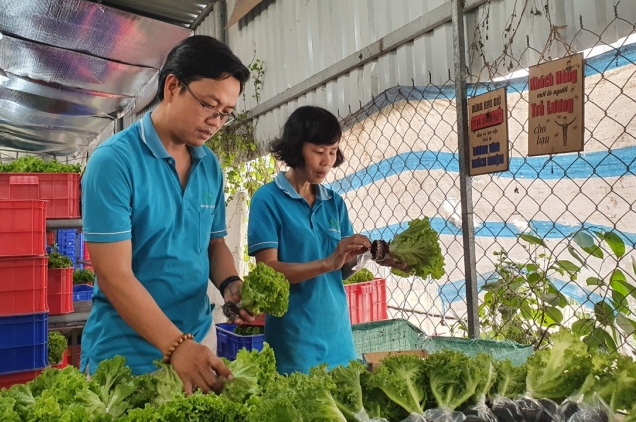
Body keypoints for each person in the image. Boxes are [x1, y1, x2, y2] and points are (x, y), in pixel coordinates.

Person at [81, 35, 253, 394]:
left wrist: (231, 285)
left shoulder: (210, 166)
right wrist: (175, 346)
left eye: (226, 113)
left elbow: (213, 242)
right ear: (173, 86)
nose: (216, 121)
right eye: (209, 105)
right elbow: (114, 276)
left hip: (197, 342)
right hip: (127, 357)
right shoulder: (114, 162)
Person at [247, 105, 405, 375]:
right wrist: (327, 263)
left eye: (332, 152)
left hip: (339, 339)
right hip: (295, 344)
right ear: (297, 148)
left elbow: (344, 267)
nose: (327, 161)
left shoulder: (335, 203)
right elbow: (268, 272)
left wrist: (380, 255)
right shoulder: (267, 200)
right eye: (319, 152)